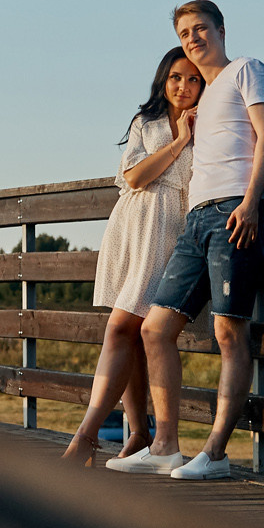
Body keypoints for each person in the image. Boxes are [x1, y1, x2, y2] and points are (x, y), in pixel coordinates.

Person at [109, 0, 264, 480]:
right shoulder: (200, 99)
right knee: (153, 329)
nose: (193, 38)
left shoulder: (247, 69)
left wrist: (250, 201)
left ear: (221, 30)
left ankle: (217, 454)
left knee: (229, 331)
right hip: (195, 219)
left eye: (200, 28)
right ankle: (164, 445)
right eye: (185, 32)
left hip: (234, 212)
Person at [60, 48, 202, 464]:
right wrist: (179, 142)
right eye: (176, 77)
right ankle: (138, 432)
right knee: (133, 333)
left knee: (123, 327)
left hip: (171, 230)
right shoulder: (147, 122)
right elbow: (135, 176)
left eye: (193, 80)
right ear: (163, 79)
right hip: (133, 229)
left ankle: (86, 437)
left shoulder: (208, 121)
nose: (183, 86)